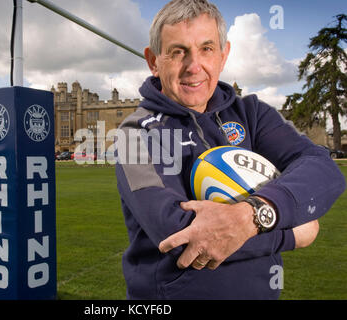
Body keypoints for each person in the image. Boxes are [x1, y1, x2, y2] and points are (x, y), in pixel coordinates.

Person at [115, 0, 345, 299]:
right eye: (177, 52)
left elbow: (324, 170)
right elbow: (179, 237)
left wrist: (254, 215)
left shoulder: (252, 114)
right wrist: (290, 234)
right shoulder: (136, 134)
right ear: (153, 61)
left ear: (223, 55)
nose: (193, 66)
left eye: (207, 49)